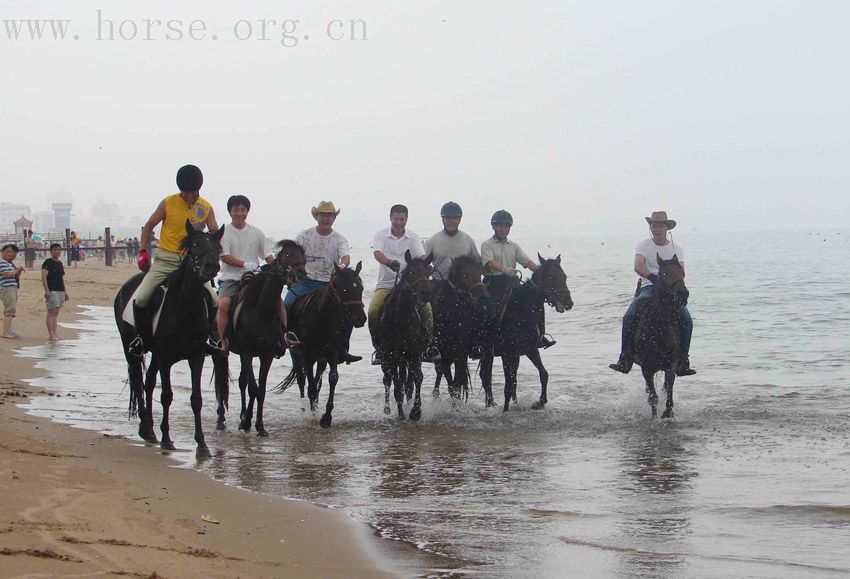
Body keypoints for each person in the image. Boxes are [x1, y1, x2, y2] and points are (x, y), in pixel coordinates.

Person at [128, 164, 219, 356]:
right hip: (166, 260)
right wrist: (143, 251)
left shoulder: (205, 207)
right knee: (142, 298)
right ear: (181, 191)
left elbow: (214, 232)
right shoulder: (168, 203)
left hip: (192, 264)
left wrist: (208, 248)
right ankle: (142, 339)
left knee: (214, 299)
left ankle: (210, 338)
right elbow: (149, 226)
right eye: (187, 193)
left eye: (195, 192)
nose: (191, 196)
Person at [609, 211, 696, 376]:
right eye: (654, 225)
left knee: (686, 319)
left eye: (661, 225)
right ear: (651, 227)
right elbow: (638, 266)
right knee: (629, 316)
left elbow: (681, 271)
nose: (657, 229)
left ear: (666, 228)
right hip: (649, 287)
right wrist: (653, 278)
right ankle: (625, 358)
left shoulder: (676, 249)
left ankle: (683, 360)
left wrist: (670, 284)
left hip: (670, 290)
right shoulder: (643, 246)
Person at [215, 194, 295, 354]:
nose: (239, 213)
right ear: (230, 212)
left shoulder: (256, 232)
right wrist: (244, 264)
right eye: (236, 210)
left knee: (278, 301)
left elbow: (267, 255)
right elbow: (224, 256)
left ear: (247, 212)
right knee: (223, 304)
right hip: (231, 278)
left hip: (254, 278)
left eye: (243, 210)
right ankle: (222, 340)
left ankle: (284, 336)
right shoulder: (225, 232)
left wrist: (279, 267)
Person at [285, 200, 361, 364]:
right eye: (323, 215)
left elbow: (346, 256)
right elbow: (292, 253)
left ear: (334, 218)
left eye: (330, 215)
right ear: (317, 216)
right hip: (306, 281)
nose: (326, 218)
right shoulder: (304, 235)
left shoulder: (339, 238)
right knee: (287, 302)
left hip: (329, 284)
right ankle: (286, 338)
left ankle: (343, 348)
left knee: (348, 312)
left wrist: (341, 265)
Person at [369, 204, 440, 365]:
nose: (399, 222)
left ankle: (429, 345)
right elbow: (377, 253)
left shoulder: (413, 236)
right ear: (390, 218)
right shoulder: (381, 235)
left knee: (427, 310)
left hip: (409, 287)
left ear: (406, 219)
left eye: (402, 219)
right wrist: (388, 262)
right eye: (396, 219)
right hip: (386, 284)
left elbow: (420, 255)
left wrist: (427, 266)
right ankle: (379, 347)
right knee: (373, 310)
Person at [481, 210, 555, 349]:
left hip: (511, 283)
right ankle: (486, 338)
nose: (503, 229)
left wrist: (541, 272)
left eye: (506, 226)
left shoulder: (514, 246)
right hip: (493, 283)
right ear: (494, 227)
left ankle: (539, 335)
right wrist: (505, 269)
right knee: (488, 309)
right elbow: (490, 262)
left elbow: (527, 262)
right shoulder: (487, 244)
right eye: (500, 226)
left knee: (535, 302)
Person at [423, 201, 480, 289]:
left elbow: (478, 263)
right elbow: (422, 264)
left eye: (454, 218)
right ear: (442, 219)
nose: (451, 221)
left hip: (462, 287)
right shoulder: (432, 240)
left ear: (459, 220)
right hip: (439, 285)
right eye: (448, 218)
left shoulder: (468, 240)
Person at [41, 243, 69, 341]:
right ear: (51, 251)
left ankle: (54, 333)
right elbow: (44, 277)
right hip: (52, 290)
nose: (57, 252)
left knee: (56, 313)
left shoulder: (59, 263)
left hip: (60, 289)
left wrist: (65, 292)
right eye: (55, 250)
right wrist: (46, 291)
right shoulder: (47, 262)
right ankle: (51, 334)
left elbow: (61, 278)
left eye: (58, 250)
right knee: (51, 313)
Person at [0, 243, 24, 339]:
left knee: (11, 309)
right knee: (9, 310)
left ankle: (8, 330)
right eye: (8, 252)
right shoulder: (2, 262)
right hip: (6, 288)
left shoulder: (10, 264)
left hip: (12, 287)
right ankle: (6, 332)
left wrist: (18, 271)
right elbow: (7, 274)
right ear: (3, 252)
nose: (11, 254)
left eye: (13, 252)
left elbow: (15, 276)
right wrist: (16, 270)